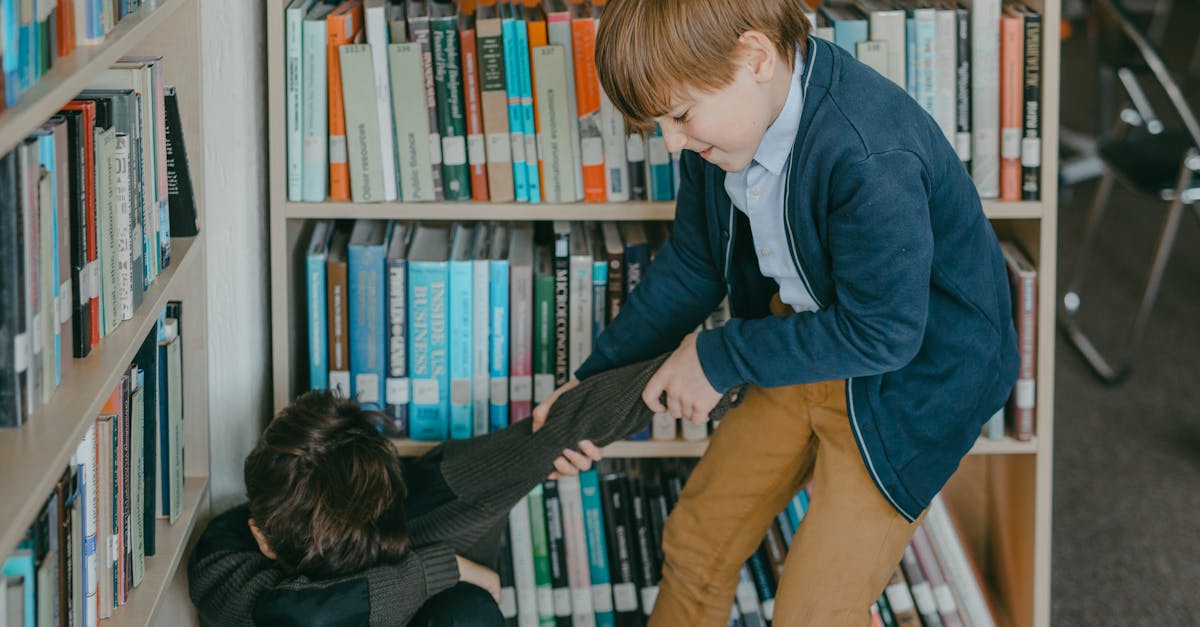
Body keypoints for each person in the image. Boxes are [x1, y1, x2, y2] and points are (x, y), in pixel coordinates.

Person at [531, 0, 1020, 625]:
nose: (674, 142)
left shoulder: (869, 155)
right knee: (696, 541)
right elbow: (693, 264)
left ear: (756, 57)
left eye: (679, 117)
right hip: (806, 340)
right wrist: (593, 384)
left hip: (911, 382)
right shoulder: (724, 131)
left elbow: (885, 333)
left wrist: (717, 359)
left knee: (814, 611)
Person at [188, 355, 741, 626]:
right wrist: (439, 568)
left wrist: (717, 373)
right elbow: (301, 617)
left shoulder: (441, 489)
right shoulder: (229, 555)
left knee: (468, 611)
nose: (248, 520)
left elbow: (568, 424)